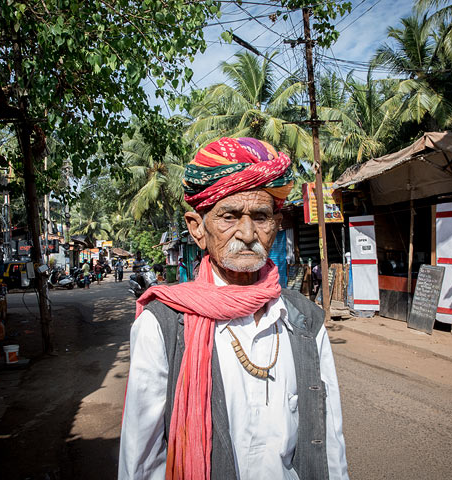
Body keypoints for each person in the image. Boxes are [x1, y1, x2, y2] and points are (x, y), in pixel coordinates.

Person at [119, 137, 349, 480]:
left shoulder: (305, 319)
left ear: (276, 224)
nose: (246, 232)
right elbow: (140, 460)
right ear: (197, 228)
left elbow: (330, 443)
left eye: (260, 216)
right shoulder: (162, 325)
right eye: (229, 216)